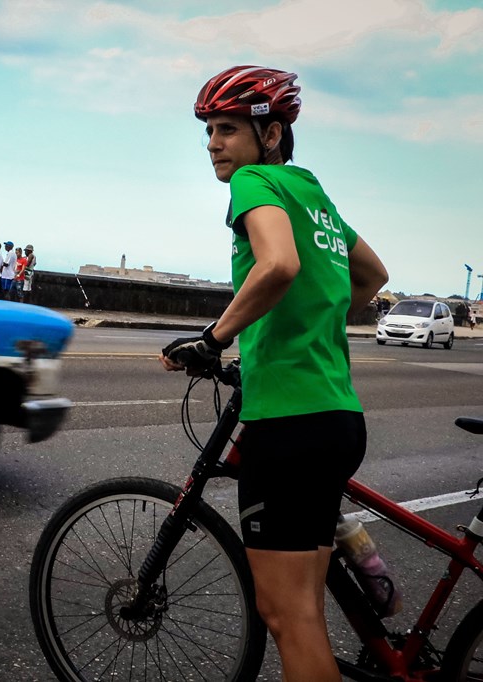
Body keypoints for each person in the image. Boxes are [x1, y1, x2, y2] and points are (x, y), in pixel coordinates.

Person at [159, 65, 388, 682]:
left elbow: (279, 263)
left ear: (272, 134)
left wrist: (214, 338)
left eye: (228, 128)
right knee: (306, 607)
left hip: (286, 421)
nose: (213, 143)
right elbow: (372, 277)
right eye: (209, 130)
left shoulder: (255, 181)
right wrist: (312, 322)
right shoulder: (310, 190)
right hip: (336, 414)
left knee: (289, 618)